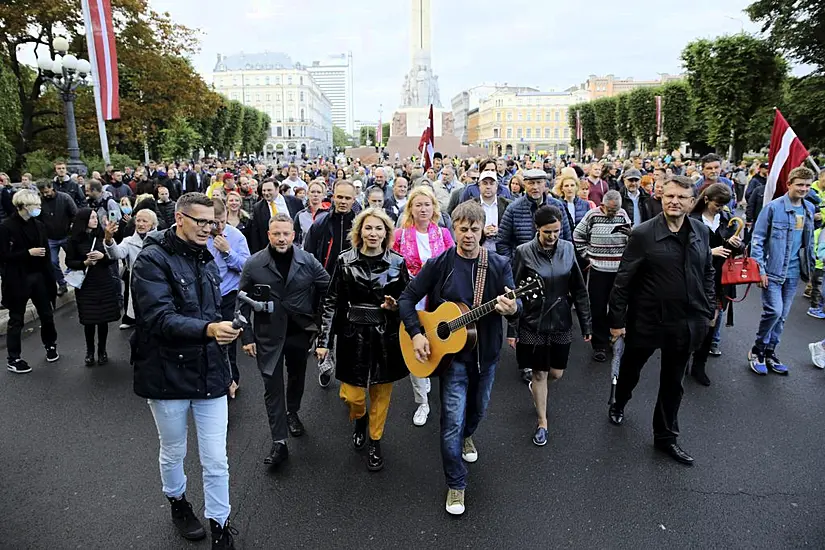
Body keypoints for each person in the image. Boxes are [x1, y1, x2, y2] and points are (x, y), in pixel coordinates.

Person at [131, 192, 241, 548]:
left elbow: (212, 314)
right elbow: (157, 318)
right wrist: (209, 330)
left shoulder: (206, 257)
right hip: (166, 374)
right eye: (201, 222)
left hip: (209, 371)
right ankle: (178, 503)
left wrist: (229, 359)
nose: (209, 229)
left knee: (216, 459)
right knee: (174, 449)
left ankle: (221, 527)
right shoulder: (151, 260)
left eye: (213, 222)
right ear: (179, 218)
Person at [398, 201, 519, 516]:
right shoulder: (440, 263)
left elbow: (516, 304)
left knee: (476, 413)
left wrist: (514, 309)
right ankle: (456, 484)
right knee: (451, 422)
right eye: (462, 228)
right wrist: (417, 333)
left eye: (474, 229)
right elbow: (408, 298)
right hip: (452, 362)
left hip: (487, 355)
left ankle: (469, 436)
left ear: (482, 231)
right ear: (453, 229)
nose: (468, 235)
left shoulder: (498, 264)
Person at [607, 176, 715, 466]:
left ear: (693, 202)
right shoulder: (643, 234)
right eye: (669, 196)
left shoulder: (701, 232)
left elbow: (707, 271)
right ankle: (619, 401)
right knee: (631, 370)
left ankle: (666, 437)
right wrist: (616, 322)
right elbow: (623, 281)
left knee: (673, 382)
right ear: (661, 198)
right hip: (647, 321)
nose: (674, 201)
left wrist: (708, 307)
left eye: (681, 197)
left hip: (686, 323)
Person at [315, 208, 410, 472]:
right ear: (359, 231)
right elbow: (331, 301)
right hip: (351, 335)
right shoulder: (344, 260)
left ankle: (375, 441)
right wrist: (322, 340)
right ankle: (360, 418)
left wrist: (397, 307)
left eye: (379, 228)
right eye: (368, 228)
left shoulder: (398, 263)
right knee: (352, 394)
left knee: (381, 392)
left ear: (387, 233)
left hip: (385, 335)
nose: (373, 233)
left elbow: (409, 300)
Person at [239, 213, 330, 467]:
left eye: (286, 234)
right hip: (267, 334)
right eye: (276, 234)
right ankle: (279, 441)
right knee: (272, 387)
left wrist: (321, 325)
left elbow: (328, 290)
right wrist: (247, 336)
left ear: (294, 235)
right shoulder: (254, 263)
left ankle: (293, 412)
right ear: (269, 235)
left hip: (299, 332)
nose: (281, 238)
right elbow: (242, 301)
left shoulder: (307, 261)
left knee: (297, 376)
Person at [510, 205, 591, 446]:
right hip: (532, 322)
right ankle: (542, 421)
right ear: (537, 229)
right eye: (548, 232)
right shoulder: (523, 252)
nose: (553, 236)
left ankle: (537, 389)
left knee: (556, 372)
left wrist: (587, 324)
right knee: (539, 372)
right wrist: (512, 330)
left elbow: (578, 288)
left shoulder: (568, 249)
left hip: (562, 320)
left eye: (556, 231)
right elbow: (512, 293)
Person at [392, 186, 455, 427]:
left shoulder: (443, 234)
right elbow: (393, 267)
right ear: (410, 208)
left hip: (437, 299)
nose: (423, 209)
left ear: (434, 208)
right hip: (412, 296)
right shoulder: (400, 235)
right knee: (414, 343)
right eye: (418, 204)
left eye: (427, 204)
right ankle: (422, 402)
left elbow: (452, 263)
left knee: (436, 341)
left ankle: (434, 376)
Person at [748, 166, 816, 375]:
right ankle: (757, 349)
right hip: (773, 270)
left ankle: (770, 351)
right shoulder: (773, 208)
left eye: (807, 185)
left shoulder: (809, 209)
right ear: (789, 184)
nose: (803, 189)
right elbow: (757, 240)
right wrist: (760, 270)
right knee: (774, 311)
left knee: (783, 315)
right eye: (800, 185)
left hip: (794, 271)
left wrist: (811, 271)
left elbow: (808, 242)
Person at [687, 184, 745, 385]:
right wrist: (709, 253)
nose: (720, 208)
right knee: (689, 321)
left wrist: (737, 245)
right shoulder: (692, 220)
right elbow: (681, 251)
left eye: (723, 205)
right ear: (706, 199)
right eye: (717, 204)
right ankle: (684, 357)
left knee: (711, 323)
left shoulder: (727, 220)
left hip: (720, 281)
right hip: (694, 277)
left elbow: (737, 249)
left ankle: (699, 364)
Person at [0, 190, 60, 372]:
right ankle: (14, 357)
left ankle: (50, 345)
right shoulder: (6, 227)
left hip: (39, 275)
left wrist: (51, 278)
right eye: (36, 206)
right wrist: (27, 253)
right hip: (18, 278)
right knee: (16, 319)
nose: (39, 209)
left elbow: (47, 253)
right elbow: (3, 255)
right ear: (24, 206)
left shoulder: (39, 225)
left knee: (46, 313)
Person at [573, 190, 631, 362]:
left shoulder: (622, 214)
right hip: (598, 269)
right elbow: (577, 235)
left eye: (617, 209)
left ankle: (615, 338)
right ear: (603, 205)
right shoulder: (592, 215)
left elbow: (631, 237)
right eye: (611, 210)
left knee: (617, 307)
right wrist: (586, 255)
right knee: (597, 307)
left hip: (618, 269)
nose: (614, 213)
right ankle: (599, 344)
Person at [64, 208, 122, 366]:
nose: (95, 220)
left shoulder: (102, 236)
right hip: (86, 284)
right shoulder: (74, 240)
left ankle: (102, 350)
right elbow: (69, 262)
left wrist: (103, 256)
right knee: (89, 320)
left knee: (103, 320)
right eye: (92, 218)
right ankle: (89, 351)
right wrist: (85, 263)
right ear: (83, 220)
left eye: (96, 217)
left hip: (103, 281)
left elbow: (113, 257)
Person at [207, 197, 250, 397]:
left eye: (223, 221)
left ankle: (232, 379)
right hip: (204, 296)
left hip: (228, 295)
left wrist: (228, 252)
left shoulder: (236, 236)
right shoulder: (197, 236)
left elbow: (246, 267)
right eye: (214, 222)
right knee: (206, 338)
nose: (219, 226)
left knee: (228, 339)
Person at [103, 208, 158, 330]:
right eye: (138, 220)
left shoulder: (161, 239)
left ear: (153, 224)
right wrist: (108, 239)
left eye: (145, 221)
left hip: (158, 285)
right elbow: (116, 254)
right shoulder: (129, 241)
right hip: (138, 285)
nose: (140, 224)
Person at [37, 179, 77, 297]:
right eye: (42, 193)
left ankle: (77, 279)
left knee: (73, 258)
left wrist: (72, 230)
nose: (45, 195)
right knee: (52, 261)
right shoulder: (40, 201)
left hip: (66, 235)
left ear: (51, 187)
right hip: (50, 238)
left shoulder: (65, 198)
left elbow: (75, 214)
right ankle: (62, 283)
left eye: (46, 191)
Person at [247, 179, 303, 253]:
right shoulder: (258, 207)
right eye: (264, 190)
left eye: (269, 190)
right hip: (270, 250)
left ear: (277, 189)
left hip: (293, 248)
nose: (266, 193)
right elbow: (255, 233)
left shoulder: (294, 201)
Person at [472, 170, 510, 252]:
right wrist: (482, 232)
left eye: (491, 183)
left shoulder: (506, 204)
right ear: (479, 185)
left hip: (501, 252)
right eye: (485, 183)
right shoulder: (471, 205)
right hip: (477, 251)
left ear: (496, 186)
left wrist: (499, 231)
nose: (488, 187)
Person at [293, 181, 328, 245]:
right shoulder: (300, 215)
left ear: (323, 195)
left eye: (319, 192)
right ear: (308, 194)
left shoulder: (329, 215)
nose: (315, 195)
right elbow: (295, 239)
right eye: (313, 192)